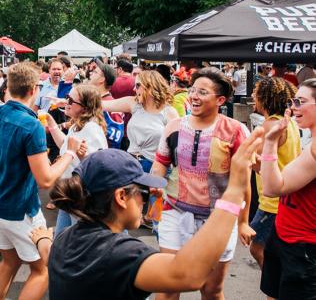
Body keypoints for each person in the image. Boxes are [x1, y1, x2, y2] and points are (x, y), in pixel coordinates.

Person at [33, 134, 262, 300]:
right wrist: (233, 191)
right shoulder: (120, 254)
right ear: (121, 197)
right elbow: (189, 275)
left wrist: (41, 238)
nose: (145, 200)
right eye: (142, 193)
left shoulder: (65, 239)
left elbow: (48, 253)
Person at [0, 62, 81, 300]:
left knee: (10, 261)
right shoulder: (31, 126)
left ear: (9, 86)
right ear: (33, 90)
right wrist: (69, 153)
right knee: (42, 269)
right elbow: (46, 180)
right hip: (18, 209)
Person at [151, 67, 252, 300]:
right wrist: (154, 201)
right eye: (193, 90)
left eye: (203, 92)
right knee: (167, 285)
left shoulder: (236, 131)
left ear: (220, 100)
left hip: (219, 220)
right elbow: (160, 164)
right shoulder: (174, 127)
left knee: (211, 289)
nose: (194, 96)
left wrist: (243, 221)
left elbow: (243, 180)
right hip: (175, 212)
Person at [258, 78, 316, 299]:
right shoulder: (310, 139)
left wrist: (271, 142)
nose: (293, 107)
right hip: (284, 233)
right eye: (293, 101)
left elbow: (273, 187)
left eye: (301, 102)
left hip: (302, 246)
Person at [248, 77, 300, 269]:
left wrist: (241, 154)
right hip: (283, 197)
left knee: (257, 247)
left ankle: (274, 283)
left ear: (266, 97)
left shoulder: (270, 125)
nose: (253, 96)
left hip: (272, 202)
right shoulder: (288, 122)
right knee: (273, 247)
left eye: (256, 92)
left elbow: (257, 163)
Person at [45, 85, 108, 234]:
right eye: (67, 98)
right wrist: (51, 123)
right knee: (62, 239)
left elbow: (98, 167)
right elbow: (65, 145)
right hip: (69, 193)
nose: (66, 102)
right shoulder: (77, 125)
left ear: (85, 108)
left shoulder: (92, 129)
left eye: (71, 101)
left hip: (81, 197)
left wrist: (80, 155)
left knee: (75, 241)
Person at [102, 70, 178, 173]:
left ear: (151, 86)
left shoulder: (169, 112)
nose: (134, 89)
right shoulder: (134, 104)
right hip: (130, 163)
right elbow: (103, 105)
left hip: (154, 167)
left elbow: (176, 148)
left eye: (138, 85)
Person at [87, 59, 124, 148]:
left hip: (103, 157)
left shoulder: (112, 105)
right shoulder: (95, 100)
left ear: (102, 79)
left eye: (95, 72)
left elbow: (116, 137)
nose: (91, 73)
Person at [110, 59, 135, 150]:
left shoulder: (113, 82)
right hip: (132, 127)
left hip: (115, 125)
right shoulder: (136, 83)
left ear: (120, 69)